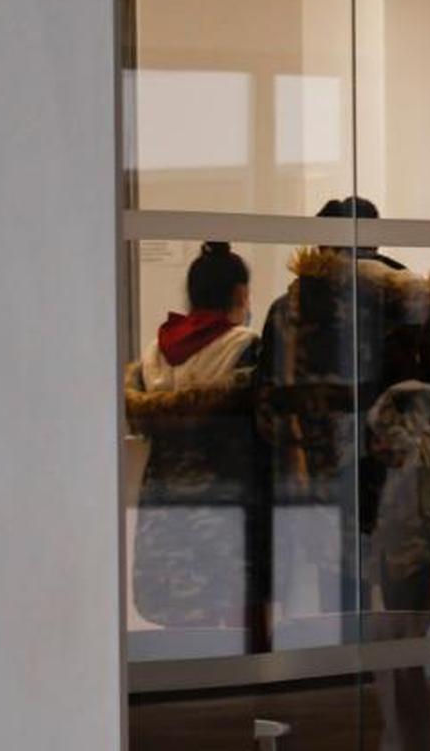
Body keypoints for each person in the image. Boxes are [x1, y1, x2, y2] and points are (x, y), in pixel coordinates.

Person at [256, 198, 430, 619]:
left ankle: (356, 683)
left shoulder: (286, 311)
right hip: (404, 482)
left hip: (330, 489)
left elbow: (267, 410)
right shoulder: (416, 303)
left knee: (345, 626)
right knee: (411, 629)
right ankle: (411, 683)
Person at [126, 241, 264, 636]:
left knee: (178, 617)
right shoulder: (243, 346)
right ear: (240, 293)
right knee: (226, 623)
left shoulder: (156, 351)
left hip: (163, 500)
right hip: (219, 503)